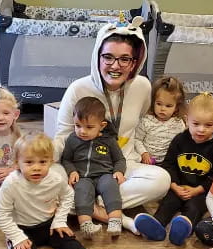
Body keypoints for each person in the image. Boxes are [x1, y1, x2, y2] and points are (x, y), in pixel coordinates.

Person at [53, 17, 171, 235]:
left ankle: (87, 204)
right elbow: (63, 136)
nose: (115, 66)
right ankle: (118, 217)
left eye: (125, 59)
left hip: (120, 166)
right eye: (108, 57)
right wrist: (46, 161)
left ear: (135, 62)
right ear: (97, 57)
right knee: (47, 183)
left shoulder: (143, 86)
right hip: (81, 169)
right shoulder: (78, 88)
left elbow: (141, 119)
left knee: (162, 180)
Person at [0, 133, 106, 249]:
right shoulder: (11, 183)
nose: (36, 167)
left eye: (43, 162)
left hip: (49, 224)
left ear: (51, 162)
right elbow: (1, 213)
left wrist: (60, 220)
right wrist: (16, 236)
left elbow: (68, 195)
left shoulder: (55, 178)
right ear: (17, 164)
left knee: (67, 240)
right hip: (23, 229)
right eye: (29, 162)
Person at [135, 92, 213, 246]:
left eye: (208, 125)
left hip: (202, 191)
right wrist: (174, 186)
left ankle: (183, 229)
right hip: (178, 185)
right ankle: (157, 226)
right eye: (196, 124)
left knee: (195, 207)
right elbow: (169, 164)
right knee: (169, 202)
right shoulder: (180, 140)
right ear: (187, 121)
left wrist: (197, 190)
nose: (201, 130)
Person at [61, 97, 126, 238]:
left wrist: (119, 171)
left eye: (89, 127)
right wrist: (71, 171)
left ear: (102, 126)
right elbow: (66, 159)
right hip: (83, 177)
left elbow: (120, 159)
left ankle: (115, 221)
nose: (82, 131)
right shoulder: (72, 140)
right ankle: (85, 225)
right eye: (78, 126)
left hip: (104, 175)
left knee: (111, 187)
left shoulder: (109, 140)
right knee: (81, 192)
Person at [134, 76, 186, 166]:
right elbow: (137, 139)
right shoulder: (146, 121)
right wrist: (144, 153)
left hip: (168, 163)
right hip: (146, 162)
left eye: (168, 106)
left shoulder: (178, 123)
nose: (162, 109)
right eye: (159, 104)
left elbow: (181, 144)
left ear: (176, 107)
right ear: (153, 102)